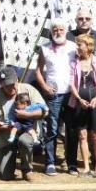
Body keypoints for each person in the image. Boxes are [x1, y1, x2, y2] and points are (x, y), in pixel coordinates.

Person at [0, 69, 46, 181]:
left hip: (27, 131)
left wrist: (27, 114)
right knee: (5, 176)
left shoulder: (28, 89)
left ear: (17, 80)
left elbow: (44, 111)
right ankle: (8, 167)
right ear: (1, 85)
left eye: (13, 84)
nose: (12, 88)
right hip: (7, 136)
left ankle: (27, 169)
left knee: (25, 141)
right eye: (7, 85)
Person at [35, 20, 77, 176]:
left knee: (71, 130)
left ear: (65, 31)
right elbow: (38, 70)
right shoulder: (44, 48)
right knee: (52, 129)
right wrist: (44, 86)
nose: (58, 32)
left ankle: (72, 164)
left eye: (61, 29)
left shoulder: (73, 47)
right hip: (53, 94)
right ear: (51, 31)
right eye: (55, 29)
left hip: (71, 93)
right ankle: (50, 163)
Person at [67, 34, 96, 177]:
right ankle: (86, 167)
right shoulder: (74, 63)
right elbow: (72, 83)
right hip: (79, 103)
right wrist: (78, 99)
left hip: (95, 102)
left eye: (80, 44)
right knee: (82, 135)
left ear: (88, 46)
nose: (77, 47)